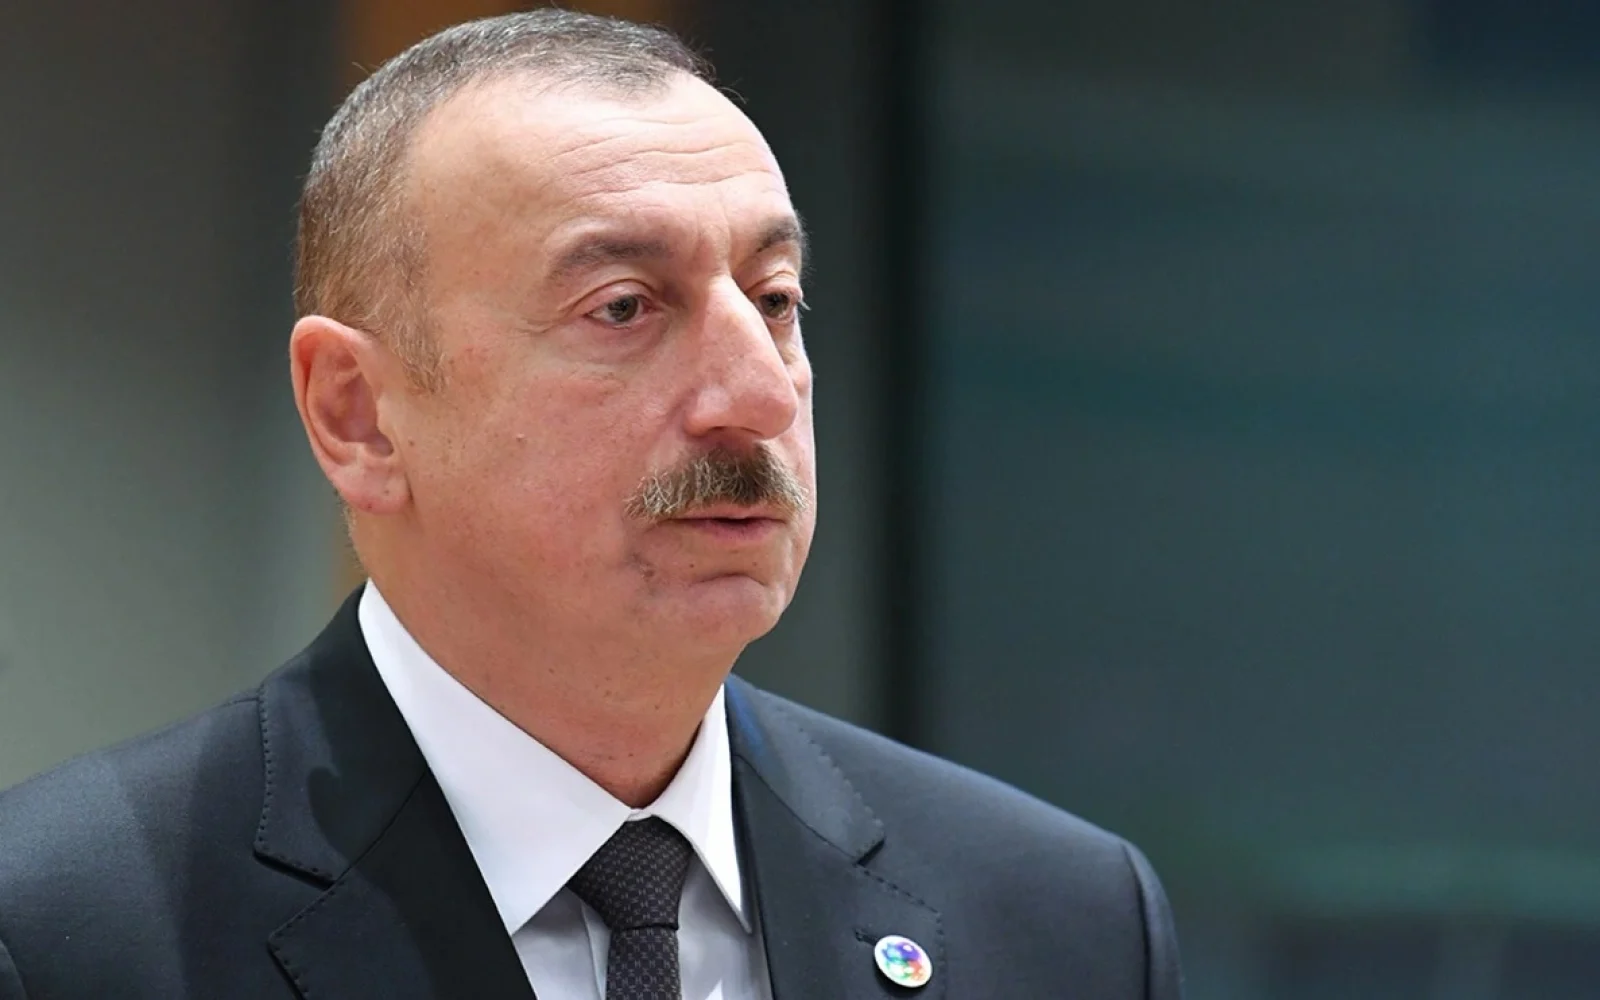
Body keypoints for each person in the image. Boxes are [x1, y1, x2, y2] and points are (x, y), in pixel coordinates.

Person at [0, 10, 1181, 999]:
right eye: (623, 307)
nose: (760, 396)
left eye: (773, 299)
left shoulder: (1061, 923)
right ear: (358, 415)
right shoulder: (60, 935)